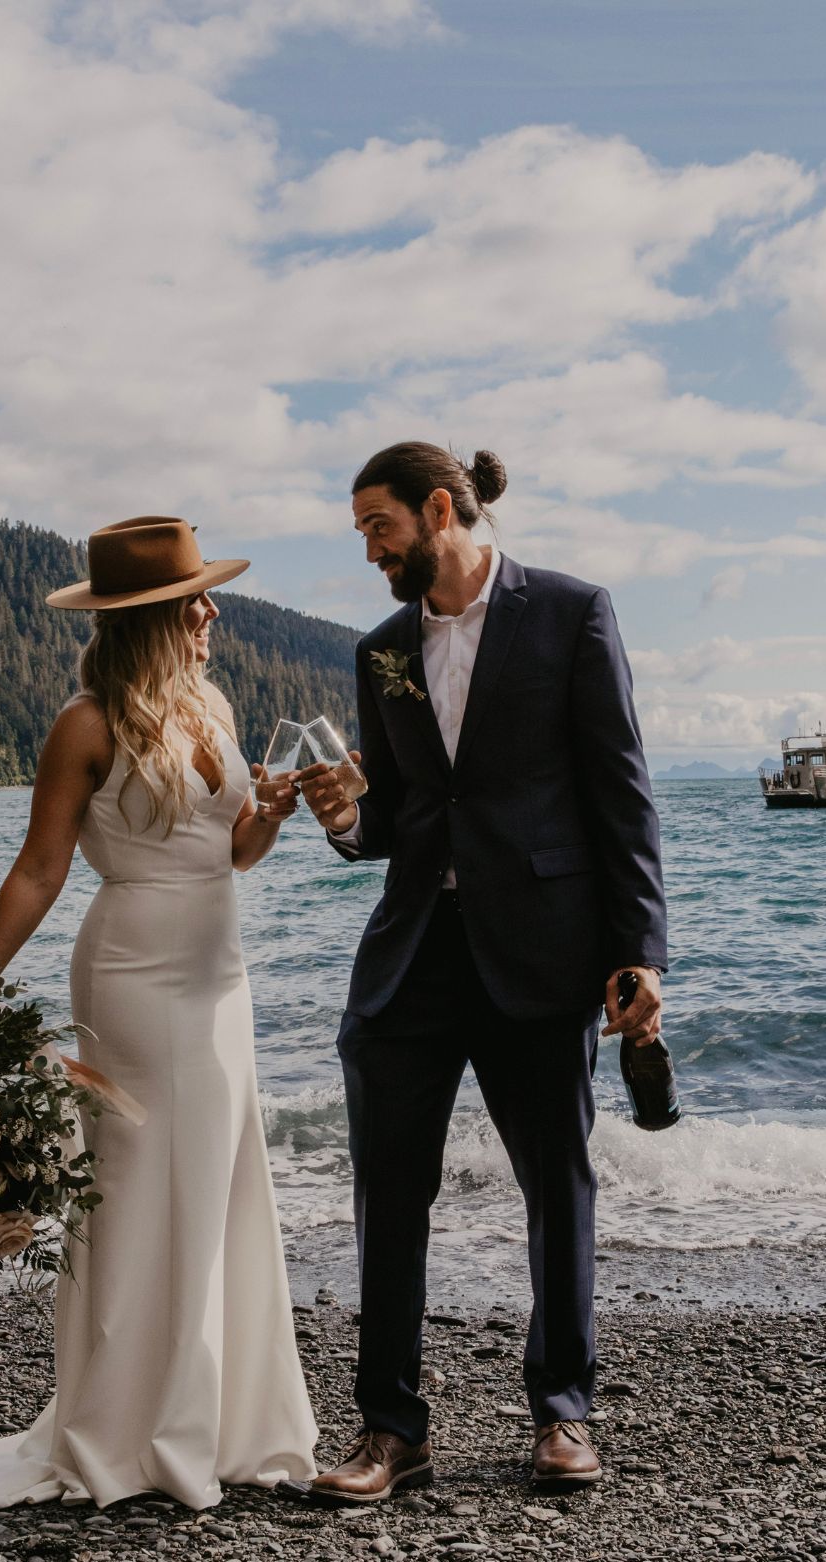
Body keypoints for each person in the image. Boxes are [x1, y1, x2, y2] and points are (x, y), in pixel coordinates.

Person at [0, 516, 318, 1517]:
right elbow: (40, 869)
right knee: (138, 1192)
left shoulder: (213, 704)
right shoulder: (84, 725)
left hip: (222, 982)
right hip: (132, 976)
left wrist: (270, 818)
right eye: (196, 603)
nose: (214, 612)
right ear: (151, 619)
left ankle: (216, 1419)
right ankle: (129, 1427)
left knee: (219, 1181)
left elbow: (230, 854)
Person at [298, 445, 667, 1501]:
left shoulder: (571, 613)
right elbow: (394, 821)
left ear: (441, 508)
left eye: (379, 526)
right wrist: (343, 818)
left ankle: (563, 1412)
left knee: (557, 1184)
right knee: (388, 1193)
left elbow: (622, 792)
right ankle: (390, 1429)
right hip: (412, 955)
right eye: (361, 532)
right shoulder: (381, 653)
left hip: (545, 950)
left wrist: (640, 949)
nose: (369, 548)